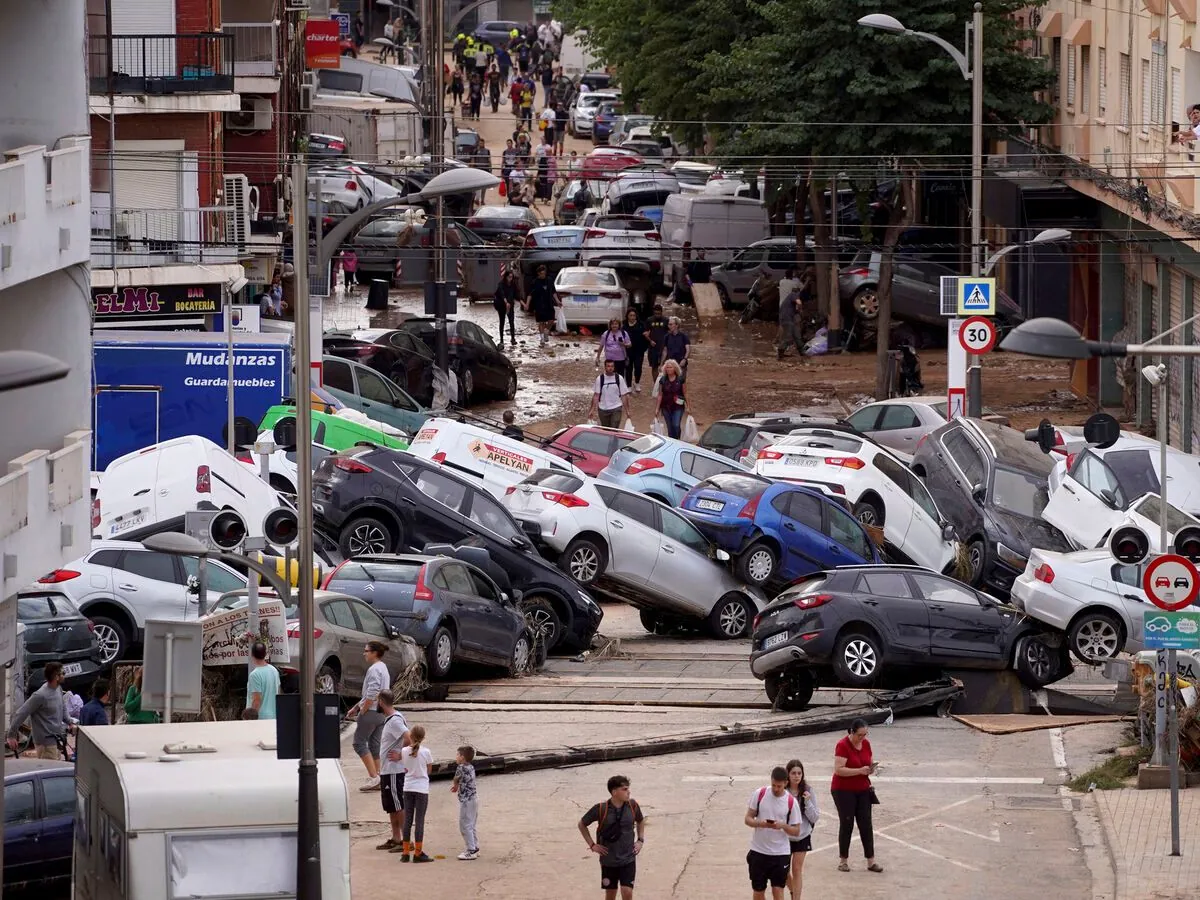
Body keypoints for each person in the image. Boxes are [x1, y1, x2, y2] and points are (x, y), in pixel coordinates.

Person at [578, 775, 645, 900]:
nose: (628, 792)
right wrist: (592, 845)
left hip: (628, 858)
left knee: (627, 892)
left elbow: (641, 821)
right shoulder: (601, 809)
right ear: (614, 792)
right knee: (610, 894)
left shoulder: (633, 805)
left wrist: (640, 840)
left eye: (628, 789)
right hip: (609, 860)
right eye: (624, 789)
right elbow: (582, 824)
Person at [745, 767, 803, 900]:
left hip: (780, 853)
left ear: (785, 783)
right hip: (758, 851)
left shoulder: (791, 802)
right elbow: (748, 818)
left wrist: (783, 826)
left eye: (779, 786)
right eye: (773, 785)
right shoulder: (759, 794)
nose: (776, 789)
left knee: (778, 891)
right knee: (758, 891)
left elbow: (796, 831)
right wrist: (761, 823)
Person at [831, 718, 881, 873]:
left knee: (866, 823)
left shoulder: (866, 744)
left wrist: (870, 769)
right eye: (860, 735)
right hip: (843, 789)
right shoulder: (842, 745)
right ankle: (843, 860)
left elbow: (869, 761)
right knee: (847, 823)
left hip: (863, 788)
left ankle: (871, 861)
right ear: (852, 732)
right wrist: (859, 771)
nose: (862, 738)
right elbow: (839, 769)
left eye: (865, 734)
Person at [347, 640, 390, 792]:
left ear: (374, 653)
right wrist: (356, 707)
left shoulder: (373, 670)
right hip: (381, 712)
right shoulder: (383, 668)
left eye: (366, 651)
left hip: (371, 711)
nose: (364, 653)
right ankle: (379, 776)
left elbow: (372, 692)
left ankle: (374, 777)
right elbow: (372, 692)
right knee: (374, 745)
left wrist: (363, 710)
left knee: (359, 743)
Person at [7, 662, 72, 758]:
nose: (65, 675)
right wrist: (11, 735)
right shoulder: (40, 695)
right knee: (51, 771)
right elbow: (21, 713)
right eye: (63, 673)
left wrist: (70, 722)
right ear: (56, 677)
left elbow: (62, 706)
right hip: (45, 744)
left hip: (56, 740)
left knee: (56, 769)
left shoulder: (58, 689)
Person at [376, 690, 411, 853]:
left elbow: (409, 737)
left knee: (398, 805)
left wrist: (400, 754)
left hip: (393, 771)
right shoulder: (390, 720)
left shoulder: (395, 721)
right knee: (391, 806)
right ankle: (396, 838)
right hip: (386, 771)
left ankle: (406, 839)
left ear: (381, 702)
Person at [397, 724, 435, 862]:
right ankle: (418, 853)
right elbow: (429, 770)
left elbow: (404, 766)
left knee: (408, 820)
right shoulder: (426, 752)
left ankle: (405, 852)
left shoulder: (404, 751)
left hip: (408, 787)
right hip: (421, 789)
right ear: (423, 737)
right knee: (419, 821)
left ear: (410, 736)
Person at [785, 759, 820, 900]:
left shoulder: (808, 790)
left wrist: (807, 802)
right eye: (793, 773)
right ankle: (793, 891)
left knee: (797, 869)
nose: (796, 776)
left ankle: (796, 898)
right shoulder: (783, 791)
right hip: (785, 836)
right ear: (788, 774)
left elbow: (815, 817)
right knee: (783, 870)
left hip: (802, 835)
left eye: (799, 773)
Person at [452, 744, 480, 860]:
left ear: (462, 757)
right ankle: (475, 846)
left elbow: (456, 778)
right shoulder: (471, 767)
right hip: (474, 799)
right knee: (471, 824)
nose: (456, 757)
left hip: (466, 801)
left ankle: (471, 850)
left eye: (457, 755)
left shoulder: (461, 767)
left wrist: (455, 785)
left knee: (464, 825)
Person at [590, 358, 632, 429]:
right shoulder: (600, 379)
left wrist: (627, 411)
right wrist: (591, 410)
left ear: (614, 367)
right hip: (603, 409)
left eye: (612, 366)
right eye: (608, 366)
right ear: (605, 367)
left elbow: (624, 396)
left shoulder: (619, 378)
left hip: (616, 408)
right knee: (606, 431)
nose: (610, 368)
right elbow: (596, 396)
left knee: (614, 429)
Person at [247, 640, 280, 721]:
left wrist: (251, 720)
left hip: (260, 717)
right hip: (273, 715)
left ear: (252, 655)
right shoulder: (274, 670)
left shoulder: (254, 675)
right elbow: (278, 691)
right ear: (265, 654)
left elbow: (257, 700)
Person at [655, 359, 687, 439]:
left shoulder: (680, 379)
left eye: (670, 367)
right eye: (667, 367)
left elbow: (685, 393)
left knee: (676, 425)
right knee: (669, 427)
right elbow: (660, 394)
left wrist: (688, 406)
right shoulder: (662, 380)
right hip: (666, 406)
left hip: (678, 406)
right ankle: (672, 441)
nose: (669, 369)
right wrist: (657, 408)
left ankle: (677, 439)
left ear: (675, 368)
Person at [528, 264, 559, 345]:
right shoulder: (535, 282)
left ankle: (546, 331)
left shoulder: (549, 280)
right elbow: (530, 294)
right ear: (538, 273)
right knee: (541, 322)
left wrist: (557, 301)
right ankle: (542, 338)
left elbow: (553, 292)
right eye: (541, 274)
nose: (543, 275)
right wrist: (527, 304)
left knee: (551, 320)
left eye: (544, 273)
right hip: (539, 305)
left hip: (549, 303)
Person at [624, 307, 648, 393]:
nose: (632, 317)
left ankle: (637, 383)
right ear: (627, 316)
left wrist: (645, 348)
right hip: (628, 351)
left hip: (639, 351)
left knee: (638, 367)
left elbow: (647, 336)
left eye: (634, 315)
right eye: (630, 315)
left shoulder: (641, 324)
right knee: (628, 368)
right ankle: (629, 385)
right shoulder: (623, 325)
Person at [644, 303, 670, 382]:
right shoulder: (649, 320)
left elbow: (670, 332)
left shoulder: (666, 320)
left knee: (666, 366)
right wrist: (650, 340)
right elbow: (645, 333)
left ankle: (665, 384)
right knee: (654, 367)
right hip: (653, 348)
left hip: (664, 348)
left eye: (659, 313)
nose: (657, 315)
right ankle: (656, 384)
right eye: (655, 313)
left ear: (662, 312)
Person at [494, 268, 519, 346]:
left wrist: (523, 303)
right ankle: (501, 340)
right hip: (501, 305)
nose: (510, 279)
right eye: (509, 277)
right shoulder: (501, 284)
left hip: (510, 305)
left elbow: (516, 294)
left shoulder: (513, 284)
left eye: (511, 277)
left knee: (511, 321)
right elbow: (502, 294)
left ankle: (513, 338)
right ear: (506, 277)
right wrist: (506, 302)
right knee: (502, 322)